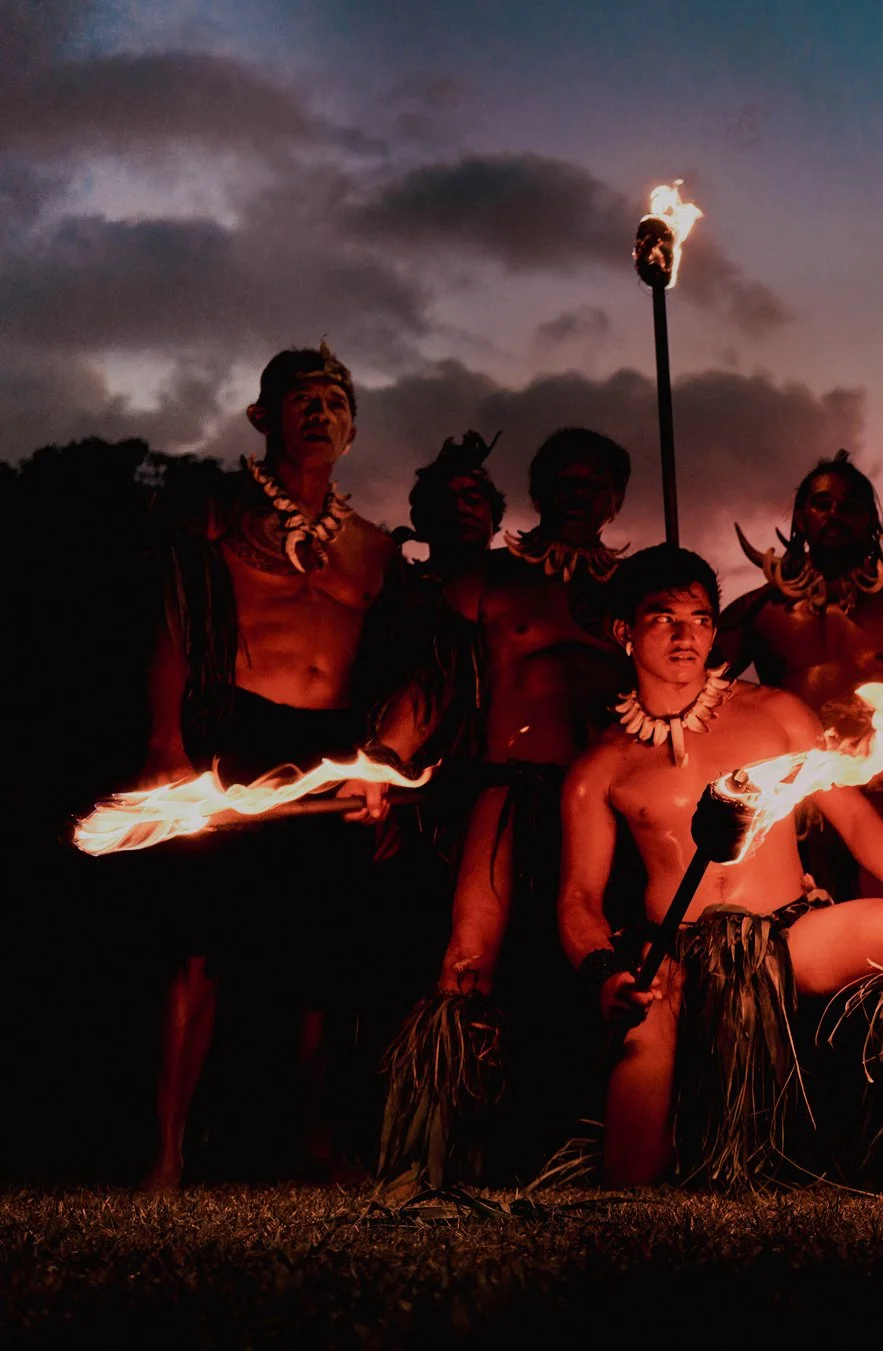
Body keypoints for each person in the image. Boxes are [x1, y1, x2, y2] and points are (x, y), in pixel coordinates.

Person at [557, 547, 883, 1189]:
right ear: (625, 631)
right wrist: (605, 975)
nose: (687, 635)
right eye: (663, 618)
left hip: (791, 937)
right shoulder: (602, 765)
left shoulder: (774, 714)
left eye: (701, 618)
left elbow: (856, 822)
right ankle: (638, 1192)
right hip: (680, 960)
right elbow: (577, 900)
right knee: (637, 1134)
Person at [140, 344, 438, 1188]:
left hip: (330, 745)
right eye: (300, 397)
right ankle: (164, 1149)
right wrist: (167, 740)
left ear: (352, 428)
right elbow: (171, 622)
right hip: (235, 731)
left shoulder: (376, 550)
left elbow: (412, 666)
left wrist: (380, 763)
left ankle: (312, 1139)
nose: (319, 411)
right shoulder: (215, 513)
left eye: (335, 401)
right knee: (196, 947)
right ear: (262, 417)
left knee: (322, 961)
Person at [386, 429, 637, 1182]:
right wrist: (384, 760)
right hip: (509, 786)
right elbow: (431, 683)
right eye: (562, 478)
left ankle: (582, 1148)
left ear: (615, 499)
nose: (577, 491)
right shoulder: (488, 579)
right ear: (536, 491)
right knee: (468, 963)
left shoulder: (641, 593)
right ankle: (437, 1156)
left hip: (606, 804)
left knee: (598, 969)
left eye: (594, 481)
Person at [718, 452, 883, 895]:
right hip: (787, 799)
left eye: (849, 505)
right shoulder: (759, 611)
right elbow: (698, 692)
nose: (835, 514)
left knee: (882, 930)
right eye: (822, 503)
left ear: (871, 519)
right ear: (800, 518)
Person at [401, 431, 505, 589]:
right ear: (423, 518)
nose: (461, 509)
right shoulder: (392, 587)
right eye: (444, 502)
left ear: (494, 516)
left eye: (472, 500)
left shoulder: (526, 588)